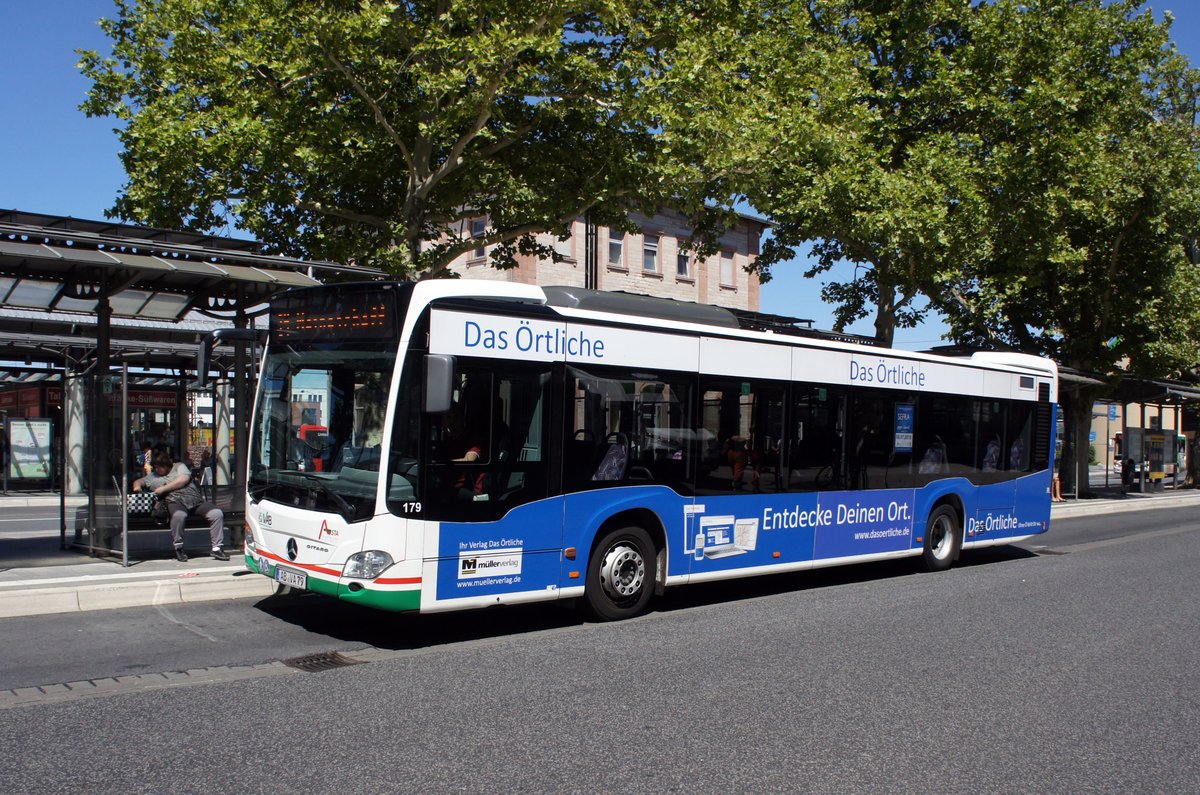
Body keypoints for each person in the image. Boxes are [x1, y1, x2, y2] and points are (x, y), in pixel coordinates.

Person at [133, 449, 228, 562]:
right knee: (179, 516)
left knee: (216, 513)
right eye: (156, 467)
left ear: (167, 465)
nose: (158, 470)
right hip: (175, 501)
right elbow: (139, 481)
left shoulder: (179, 466)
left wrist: (163, 488)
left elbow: (183, 479)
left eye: (160, 467)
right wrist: (137, 487)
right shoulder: (153, 477)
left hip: (195, 500)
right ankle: (178, 547)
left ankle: (217, 548)